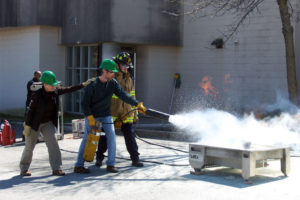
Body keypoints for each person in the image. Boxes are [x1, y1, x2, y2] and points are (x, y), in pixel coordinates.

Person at [74, 59, 146, 174]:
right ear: (105, 71)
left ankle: (111, 164)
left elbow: (123, 95)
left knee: (111, 138)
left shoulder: (113, 83)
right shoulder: (93, 85)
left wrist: (137, 104)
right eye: (112, 72)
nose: (114, 74)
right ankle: (79, 165)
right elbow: (84, 104)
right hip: (93, 116)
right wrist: (90, 117)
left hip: (106, 116)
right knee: (87, 139)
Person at [20, 70, 94, 176]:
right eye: (51, 85)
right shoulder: (36, 95)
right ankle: (24, 168)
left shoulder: (55, 91)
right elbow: (30, 111)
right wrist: (27, 125)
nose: (53, 86)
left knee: (53, 145)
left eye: (54, 85)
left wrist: (83, 84)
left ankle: (57, 168)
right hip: (34, 124)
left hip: (47, 123)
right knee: (29, 147)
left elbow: (69, 89)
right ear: (44, 84)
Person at [95, 52, 143, 168]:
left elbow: (132, 95)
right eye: (124, 65)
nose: (126, 68)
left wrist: (135, 113)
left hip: (126, 113)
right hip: (111, 113)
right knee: (105, 137)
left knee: (130, 136)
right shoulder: (112, 78)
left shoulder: (129, 78)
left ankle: (135, 159)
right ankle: (99, 158)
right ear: (117, 65)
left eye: (127, 66)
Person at [23, 71, 42, 141]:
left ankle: (36, 136)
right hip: (30, 103)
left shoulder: (40, 82)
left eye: (40, 75)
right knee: (28, 119)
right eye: (39, 75)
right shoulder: (31, 82)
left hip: (37, 103)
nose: (40, 76)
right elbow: (33, 90)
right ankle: (24, 136)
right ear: (35, 75)